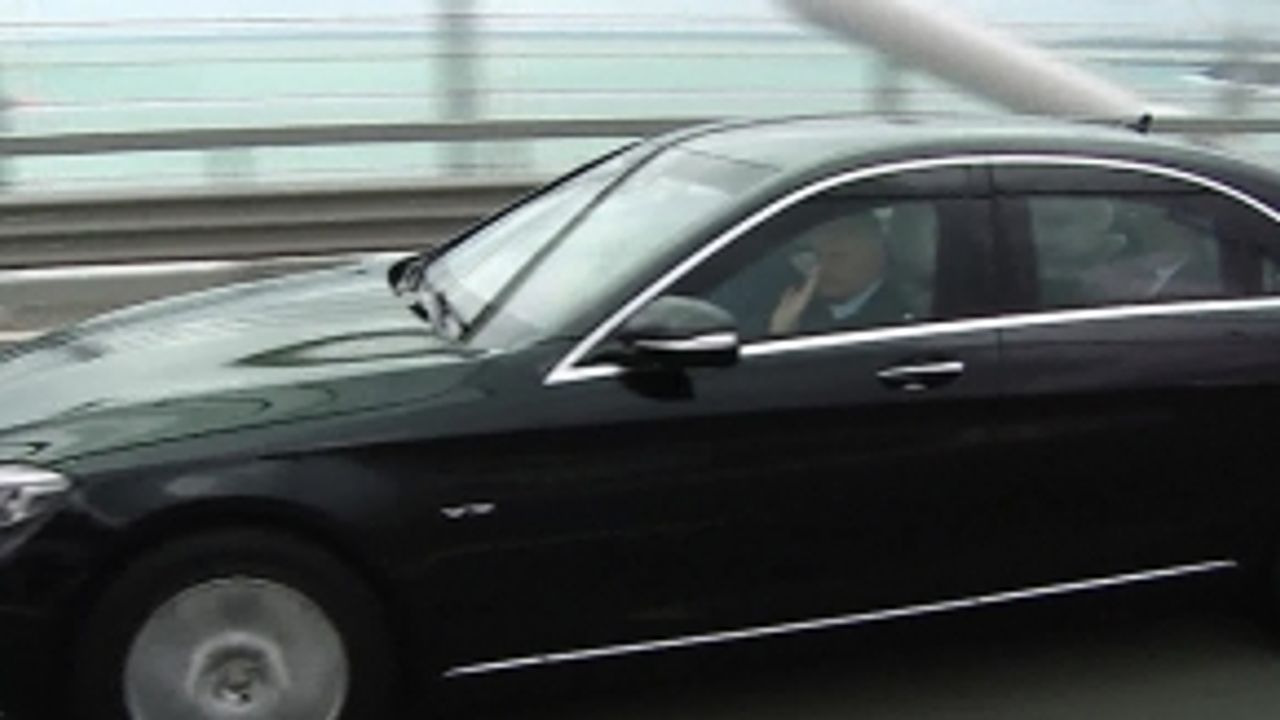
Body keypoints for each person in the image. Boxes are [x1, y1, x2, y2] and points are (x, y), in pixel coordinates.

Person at [768, 212, 912, 336]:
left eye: (838, 256)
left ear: (877, 252)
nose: (823, 267)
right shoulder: (801, 308)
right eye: (818, 256)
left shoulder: (897, 320)